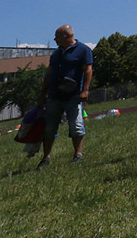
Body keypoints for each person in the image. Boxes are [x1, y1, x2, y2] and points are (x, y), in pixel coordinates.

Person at [36, 25, 93, 169]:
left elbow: (88, 70)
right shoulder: (56, 54)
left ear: (67, 36)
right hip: (54, 95)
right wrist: (43, 92)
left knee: (76, 125)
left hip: (73, 95)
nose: (54, 39)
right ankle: (46, 157)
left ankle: (78, 154)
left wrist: (85, 90)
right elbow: (49, 73)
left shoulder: (83, 50)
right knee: (49, 127)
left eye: (57, 36)